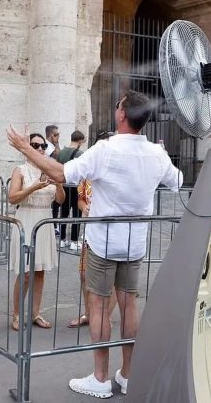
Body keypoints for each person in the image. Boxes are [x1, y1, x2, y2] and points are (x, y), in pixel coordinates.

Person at [7, 90, 183, 399]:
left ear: (121, 115)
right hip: (135, 242)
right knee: (129, 306)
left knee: (100, 307)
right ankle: (128, 375)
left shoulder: (106, 149)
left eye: (117, 106)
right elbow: (178, 181)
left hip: (103, 242)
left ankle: (101, 378)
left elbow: (62, 172)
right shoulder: (156, 153)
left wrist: (25, 147)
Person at [8, 133, 65, 331]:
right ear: (28, 148)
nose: (40, 149)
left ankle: (35, 313)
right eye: (35, 145)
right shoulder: (20, 170)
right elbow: (13, 198)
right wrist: (33, 187)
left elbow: (60, 200)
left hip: (45, 221)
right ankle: (16, 314)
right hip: (27, 220)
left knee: (40, 272)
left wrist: (58, 182)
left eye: (43, 146)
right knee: (25, 272)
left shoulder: (50, 168)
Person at [68, 129, 117, 329]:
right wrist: (84, 208)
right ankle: (89, 313)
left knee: (112, 278)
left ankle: (104, 315)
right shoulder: (88, 172)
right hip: (90, 231)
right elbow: (80, 199)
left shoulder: (118, 173)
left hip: (114, 232)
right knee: (84, 274)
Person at [57, 130, 86, 250]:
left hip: (63, 185)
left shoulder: (61, 152)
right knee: (76, 214)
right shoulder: (80, 153)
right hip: (75, 187)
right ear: (80, 141)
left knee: (63, 213)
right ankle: (74, 241)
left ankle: (62, 239)